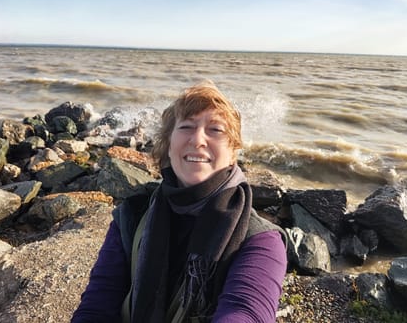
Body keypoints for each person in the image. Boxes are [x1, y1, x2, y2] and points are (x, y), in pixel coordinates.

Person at [71, 80, 287, 323]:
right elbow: (98, 303)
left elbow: (246, 311)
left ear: (232, 152)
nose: (198, 140)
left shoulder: (262, 241)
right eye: (186, 126)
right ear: (168, 146)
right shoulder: (132, 215)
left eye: (215, 130)